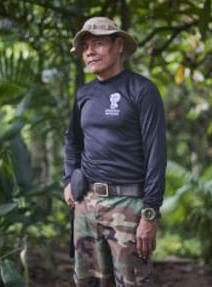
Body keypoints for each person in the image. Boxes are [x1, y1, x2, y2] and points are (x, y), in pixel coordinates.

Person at [63, 16, 167, 287]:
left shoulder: (142, 91)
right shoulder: (83, 94)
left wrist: (150, 212)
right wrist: (68, 180)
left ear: (119, 45)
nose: (89, 51)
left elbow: (157, 154)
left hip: (128, 207)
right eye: (85, 45)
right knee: (88, 282)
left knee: (133, 282)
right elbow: (72, 140)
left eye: (98, 43)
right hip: (86, 206)